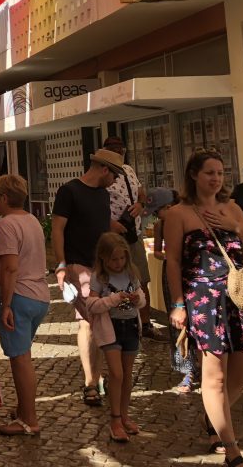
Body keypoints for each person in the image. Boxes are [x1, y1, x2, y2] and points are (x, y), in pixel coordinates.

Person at [165, 148, 243, 467]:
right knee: (214, 377)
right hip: (202, 297)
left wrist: (236, 227)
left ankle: (214, 416)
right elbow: (173, 262)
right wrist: (178, 304)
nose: (216, 179)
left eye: (220, 173)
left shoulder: (232, 207)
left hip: (237, 298)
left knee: (242, 374)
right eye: (209, 172)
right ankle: (231, 449)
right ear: (194, 175)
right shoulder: (178, 214)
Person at [51, 147, 124, 408]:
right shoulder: (69, 191)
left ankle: (99, 376)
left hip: (103, 269)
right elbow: (57, 229)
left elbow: (102, 229)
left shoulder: (103, 195)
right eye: (114, 175)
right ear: (104, 169)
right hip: (78, 266)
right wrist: (62, 265)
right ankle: (90, 381)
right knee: (87, 323)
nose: (116, 181)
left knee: (102, 322)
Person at [0, 174, 49, 437]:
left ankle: (28, 420)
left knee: (20, 359)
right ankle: (24, 409)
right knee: (24, 355)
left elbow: (10, 267)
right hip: (38, 295)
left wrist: (7, 304)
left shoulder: (8, 225)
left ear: (3, 198)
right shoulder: (30, 219)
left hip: (18, 297)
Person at [86, 233, 146, 443]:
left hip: (130, 327)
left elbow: (142, 299)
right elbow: (91, 305)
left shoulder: (131, 273)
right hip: (110, 329)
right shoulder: (99, 278)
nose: (118, 263)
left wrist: (138, 299)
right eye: (114, 259)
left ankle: (124, 415)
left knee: (127, 375)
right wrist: (112, 299)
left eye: (121, 258)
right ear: (103, 258)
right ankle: (114, 419)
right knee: (117, 373)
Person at [101, 135, 155, 338]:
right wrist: (110, 224)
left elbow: (141, 192)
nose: (118, 153)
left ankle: (146, 323)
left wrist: (140, 205)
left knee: (141, 278)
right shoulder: (103, 174)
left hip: (135, 231)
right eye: (113, 149)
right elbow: (96, 204)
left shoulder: (130, 170)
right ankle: (121, 322)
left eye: (120, 149)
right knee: (116, 279)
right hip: (114, 234)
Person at [150, 187, 198, 394]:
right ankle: (185, 369)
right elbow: (159, 252)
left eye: (156, 211)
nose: (156, 215)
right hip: (172, 271)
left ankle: (202, 365)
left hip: (193, 272)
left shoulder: (189, 219)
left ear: (168, 206)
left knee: (198, 320)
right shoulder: (162, 224)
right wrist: (169, 256)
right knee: (177, 322)